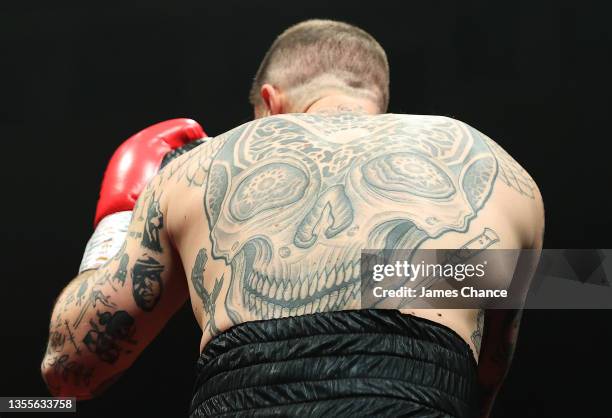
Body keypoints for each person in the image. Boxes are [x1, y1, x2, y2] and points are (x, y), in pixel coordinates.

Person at [41, 19, 544, 417]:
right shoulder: (497, 170)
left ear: (269, 102)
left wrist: (118, 223)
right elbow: (486, 378)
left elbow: (69, 370)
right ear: (384, 109)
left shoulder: (198, 167)